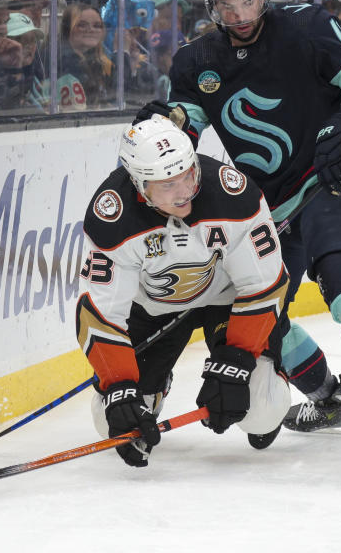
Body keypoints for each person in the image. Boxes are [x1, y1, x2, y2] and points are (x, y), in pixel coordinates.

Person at [136, 0, 341, 466]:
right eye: (228, 6)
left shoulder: (308, 27)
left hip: (332, 173)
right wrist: (166, 124)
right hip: (266, 205)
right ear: (211, 5)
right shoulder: (196, 61)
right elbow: (187, 131)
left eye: (248, 1)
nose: (240, 16)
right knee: (258, 308)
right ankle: (330, 402)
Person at [76, 114, 292, 466]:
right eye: (166, 185)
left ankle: (274, 374)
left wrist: (236, 361)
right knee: (108, 421)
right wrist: (119, 387)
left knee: (261, 410)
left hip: (229, 302)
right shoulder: (112, 216)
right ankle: (156, 383)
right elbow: (100, 314)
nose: (184, 191)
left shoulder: (232, 194)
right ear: (139, 184)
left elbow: (266, 285)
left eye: (187, 175)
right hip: (156, 310)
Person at [58, 2, 112, 110]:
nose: (91, 30)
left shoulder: (96, 60)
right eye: (82, 25)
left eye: (97, 26)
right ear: (68, 28)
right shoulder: (63, 62)